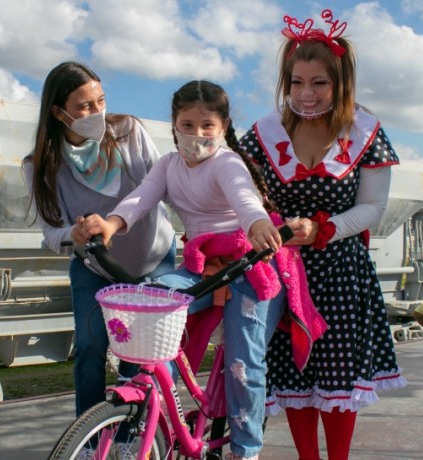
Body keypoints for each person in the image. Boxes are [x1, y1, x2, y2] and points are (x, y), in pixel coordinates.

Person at [82, 80, 325, 460]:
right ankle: (148, 409)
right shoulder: (167, 165)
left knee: (244, 363)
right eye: (188, 124)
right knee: (154, 297)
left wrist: (258, 224)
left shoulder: (227, 162)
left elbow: (244, 199)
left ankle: (246, 451)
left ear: (223, 127)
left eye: (207, 125)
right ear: (174, 126)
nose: (197, 134)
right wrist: (111, 225)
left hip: (250, 264)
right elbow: (140, 199)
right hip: (201, 265)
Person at [238, 11, 407, 460]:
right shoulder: (261, 134)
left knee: (336, 374)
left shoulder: (365, 131)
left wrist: (323, 230)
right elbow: (240, 194)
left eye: (319, 83)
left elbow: (373, 207)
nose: (306, 93)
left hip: (340, 270)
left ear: (340, 83)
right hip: (281, 268)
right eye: (296, 82)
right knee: (293, 370)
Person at [22, 62, 177, 424]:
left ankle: (131, 439)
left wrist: (112, 222)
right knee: (90, 349)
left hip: (153, 259)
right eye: (84, 106)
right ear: (58, 112)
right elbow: (51, 233)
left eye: (101, 101)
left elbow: (159, 188)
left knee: (136, 356)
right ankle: (90, 437)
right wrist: (72, 235)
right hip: (95, 266)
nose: (97, 112)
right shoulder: (41, 166)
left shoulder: (128, 132)